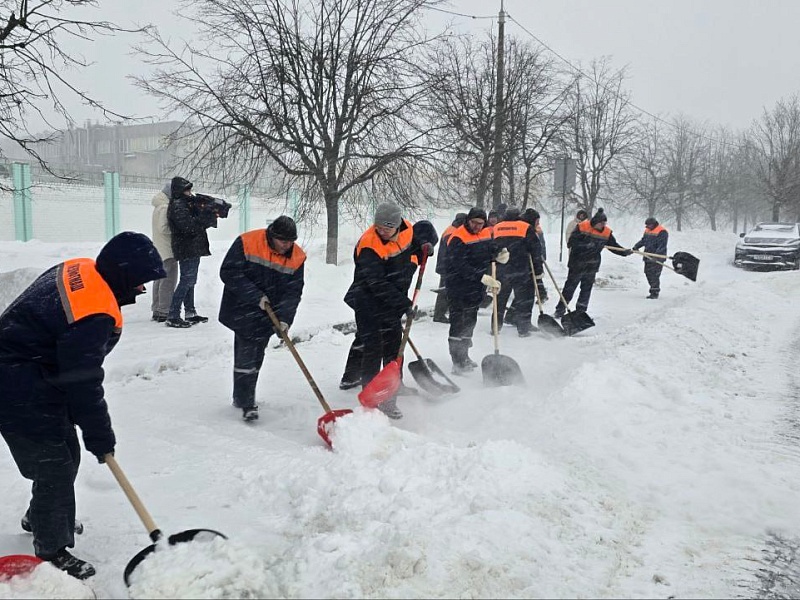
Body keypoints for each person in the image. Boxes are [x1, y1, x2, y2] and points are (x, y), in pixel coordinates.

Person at [0, 232, 166, 580]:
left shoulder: (80, 269)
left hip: (33, 372)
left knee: (65, 455)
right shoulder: (94, 313)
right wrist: (100, 436)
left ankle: (41, 515)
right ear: (122, 275)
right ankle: (51, 549)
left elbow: (67, 362)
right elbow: (83, 381)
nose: (141, 290)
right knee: (54, 466)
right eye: (139, 282)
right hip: (16, 383)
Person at [342, 203, 436, 419]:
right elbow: (376, 283)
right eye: (379, 227)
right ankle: (375, 397)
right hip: (368, 301)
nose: (382, 232)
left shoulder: (407, 231)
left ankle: (393, 388)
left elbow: (421, 236)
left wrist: (425, 246)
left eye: (387, 228)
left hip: (391, 302)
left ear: (398, 225)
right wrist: (404, 305)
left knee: (394, 349)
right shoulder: (368, 245)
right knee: (373, 348)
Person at [219, 216, 305, 421]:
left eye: (290, 241)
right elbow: (229, 272)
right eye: (283, 241)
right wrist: (255, 296)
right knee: (246, 355)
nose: (287, 245)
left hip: (270, 314)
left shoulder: (297, 257)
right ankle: (246, 402)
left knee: (257, 355)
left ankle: (243, 395)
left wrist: (284, 319)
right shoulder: (248, 242)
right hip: (243, 308)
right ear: (272, 235)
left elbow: (293, 291)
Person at [445, 207, 508, 374]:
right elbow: (460, 265)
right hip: (458, 287)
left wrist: (499, 252)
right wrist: (482, 277)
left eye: (480, 223)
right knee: (458, 324)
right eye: (474, 223)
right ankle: (457, 361)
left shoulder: (485, 232)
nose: (477, 226)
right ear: (468, 220)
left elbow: (488, 248)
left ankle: (464, 356)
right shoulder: (458, 237)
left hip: (475, 288)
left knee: (470, 322)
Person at [166, 177, 227, 328]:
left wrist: (208, 211)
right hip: (187, 247)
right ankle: (173, 315)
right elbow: (188, 228)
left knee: (190, 280)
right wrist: (205, 216)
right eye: (187, 189)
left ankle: (190, 312)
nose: (190, 192)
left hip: (192, 247)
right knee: (187, 280)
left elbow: (195, 224)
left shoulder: (186, 204)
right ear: (180, 191)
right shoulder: (178, 205)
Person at [554, 208, 632, 317]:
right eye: (601, 223)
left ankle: (581, 312)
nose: (603, 226)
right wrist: (587, 245)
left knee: (586, 290)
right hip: (577, 263)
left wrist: (624, 252)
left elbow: (613, 246)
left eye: (604, 223)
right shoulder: (582, 226)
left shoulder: (606, 232)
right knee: (570, 288)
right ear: (595, 222)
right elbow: (571, 242)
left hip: (592, 265)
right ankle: (560, 310)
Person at [493, 208, 542, 337]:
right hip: (521, 268)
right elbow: (536, 249)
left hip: (502, 269)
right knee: (524, 299)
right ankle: (523, 328)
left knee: (500, 299)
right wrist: (538, 271)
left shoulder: (497, 227)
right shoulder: (525, 227)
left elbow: (491, 247)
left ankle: (495, 326)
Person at [431, 212, 467, 324]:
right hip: (447, 266)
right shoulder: (453, 232)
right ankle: (439, 314)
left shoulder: (451, 229)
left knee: (446, 289)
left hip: (445, 265)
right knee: (445, 290)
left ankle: (441, 312)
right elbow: (451, 251)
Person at [150, 182, 178, 322]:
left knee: (159, 279)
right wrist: (177, 231)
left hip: (159, 248)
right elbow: (164, 228)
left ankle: (157, 309)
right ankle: (164, 310)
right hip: (167, 249)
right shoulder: (165, 207)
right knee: (168, 280)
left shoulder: (158, 206)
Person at [632, 217, 669, 299]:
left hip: (658, 257)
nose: (647, 227)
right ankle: (653, 289)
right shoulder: (647, 230)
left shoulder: (662, 232)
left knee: (654, 275)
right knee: (648, 273)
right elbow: (644, 240)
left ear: (653, 224)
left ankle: (655, 292)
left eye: (649, 225)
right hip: (647, 256)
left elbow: (662, 246)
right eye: (646, 225)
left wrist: (656, 256)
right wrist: (636, 246)